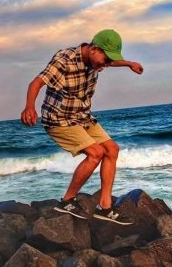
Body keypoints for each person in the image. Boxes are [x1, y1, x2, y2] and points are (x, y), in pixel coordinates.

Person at [21, 29, 143, 225]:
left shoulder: (97, 58)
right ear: (94, 49)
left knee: (112, 149)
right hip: (58, 118)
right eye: (104, 60)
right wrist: (29, 107)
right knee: (96, 153)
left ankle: (105, 207)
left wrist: (129, 64)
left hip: (82, 116)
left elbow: (111, 61)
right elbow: (36, 82)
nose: (105, 65)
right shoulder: (64, 60)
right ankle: (66, 201)